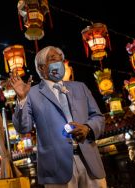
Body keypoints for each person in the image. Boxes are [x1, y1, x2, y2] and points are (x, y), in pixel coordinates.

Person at [11, 46, 107, 188]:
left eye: (60, 59)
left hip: (90, 162)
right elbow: (23, 127)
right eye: (53, 59)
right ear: (42, 67)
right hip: (56, 167)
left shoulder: (80, 87)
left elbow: (98, 117)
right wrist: (22, 100)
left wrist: (88, 128)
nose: (59, 63)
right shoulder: (32, 93)